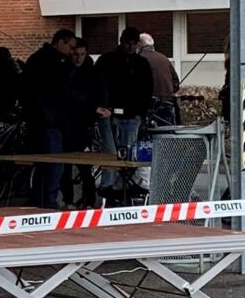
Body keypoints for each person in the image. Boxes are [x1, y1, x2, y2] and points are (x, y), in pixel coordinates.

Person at [21, 30, 83, 208]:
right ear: (61, 42)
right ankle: (48, 203)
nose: (72, 52)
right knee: (54, 165)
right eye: (71, 47)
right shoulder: (56, 63)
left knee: (43, 165)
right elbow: (62, 91)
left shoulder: (37, 59)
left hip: (39, 120)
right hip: (50, 121)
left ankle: (38, 202)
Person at [94, 28, 156, 196]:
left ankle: (122, 185)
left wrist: (140, 112)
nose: (130, 47)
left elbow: (147, 90)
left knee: (127, 152)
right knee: (112, 152)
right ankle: (111, 185)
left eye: (133, 44)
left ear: (137, 44)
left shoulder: (140, 63)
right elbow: (98, 85)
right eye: (127, 43)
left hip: (131, 114)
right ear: (121, 42)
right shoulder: (108, 60)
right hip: (111, 113)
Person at [138, 33, 180, 125]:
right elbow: (176, 83)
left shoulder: (137, 60)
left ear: (139, 45)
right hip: (167, 104)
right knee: (167, 132)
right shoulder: (164, 58)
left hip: (146, 108)